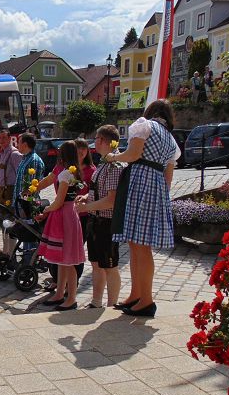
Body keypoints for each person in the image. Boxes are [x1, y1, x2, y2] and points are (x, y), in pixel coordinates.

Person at [103, 100, 180, 317]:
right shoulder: (171, 140)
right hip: (156, 187)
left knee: (140, 246)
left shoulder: (144, 125)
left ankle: (146, 299)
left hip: (140, 181)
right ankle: (136, 295)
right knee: (138, 245)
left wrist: (113, 156)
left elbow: (133, 154)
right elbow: (168, 178)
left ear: (150, 112)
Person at [75, 125, 124, 308]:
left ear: (104, 141)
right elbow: (99, 192)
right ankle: (96, 302)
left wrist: (86, 207)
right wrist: (86, 196)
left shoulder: (115, 166)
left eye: (96, 138)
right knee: (96, 263)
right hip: (96, 220)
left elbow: (111, 200)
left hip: (107, 222)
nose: (94, 142)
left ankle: (112, 304)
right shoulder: (104, 163)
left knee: (109, 265)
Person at [35, 141, 85, 310]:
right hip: (68, 214)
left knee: (68, 261)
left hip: (64, 214)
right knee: (63, 260)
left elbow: (59, 201)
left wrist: (46, 209)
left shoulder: (65, 174)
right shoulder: (72, 172)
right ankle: (60, 293)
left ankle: (71, 298)